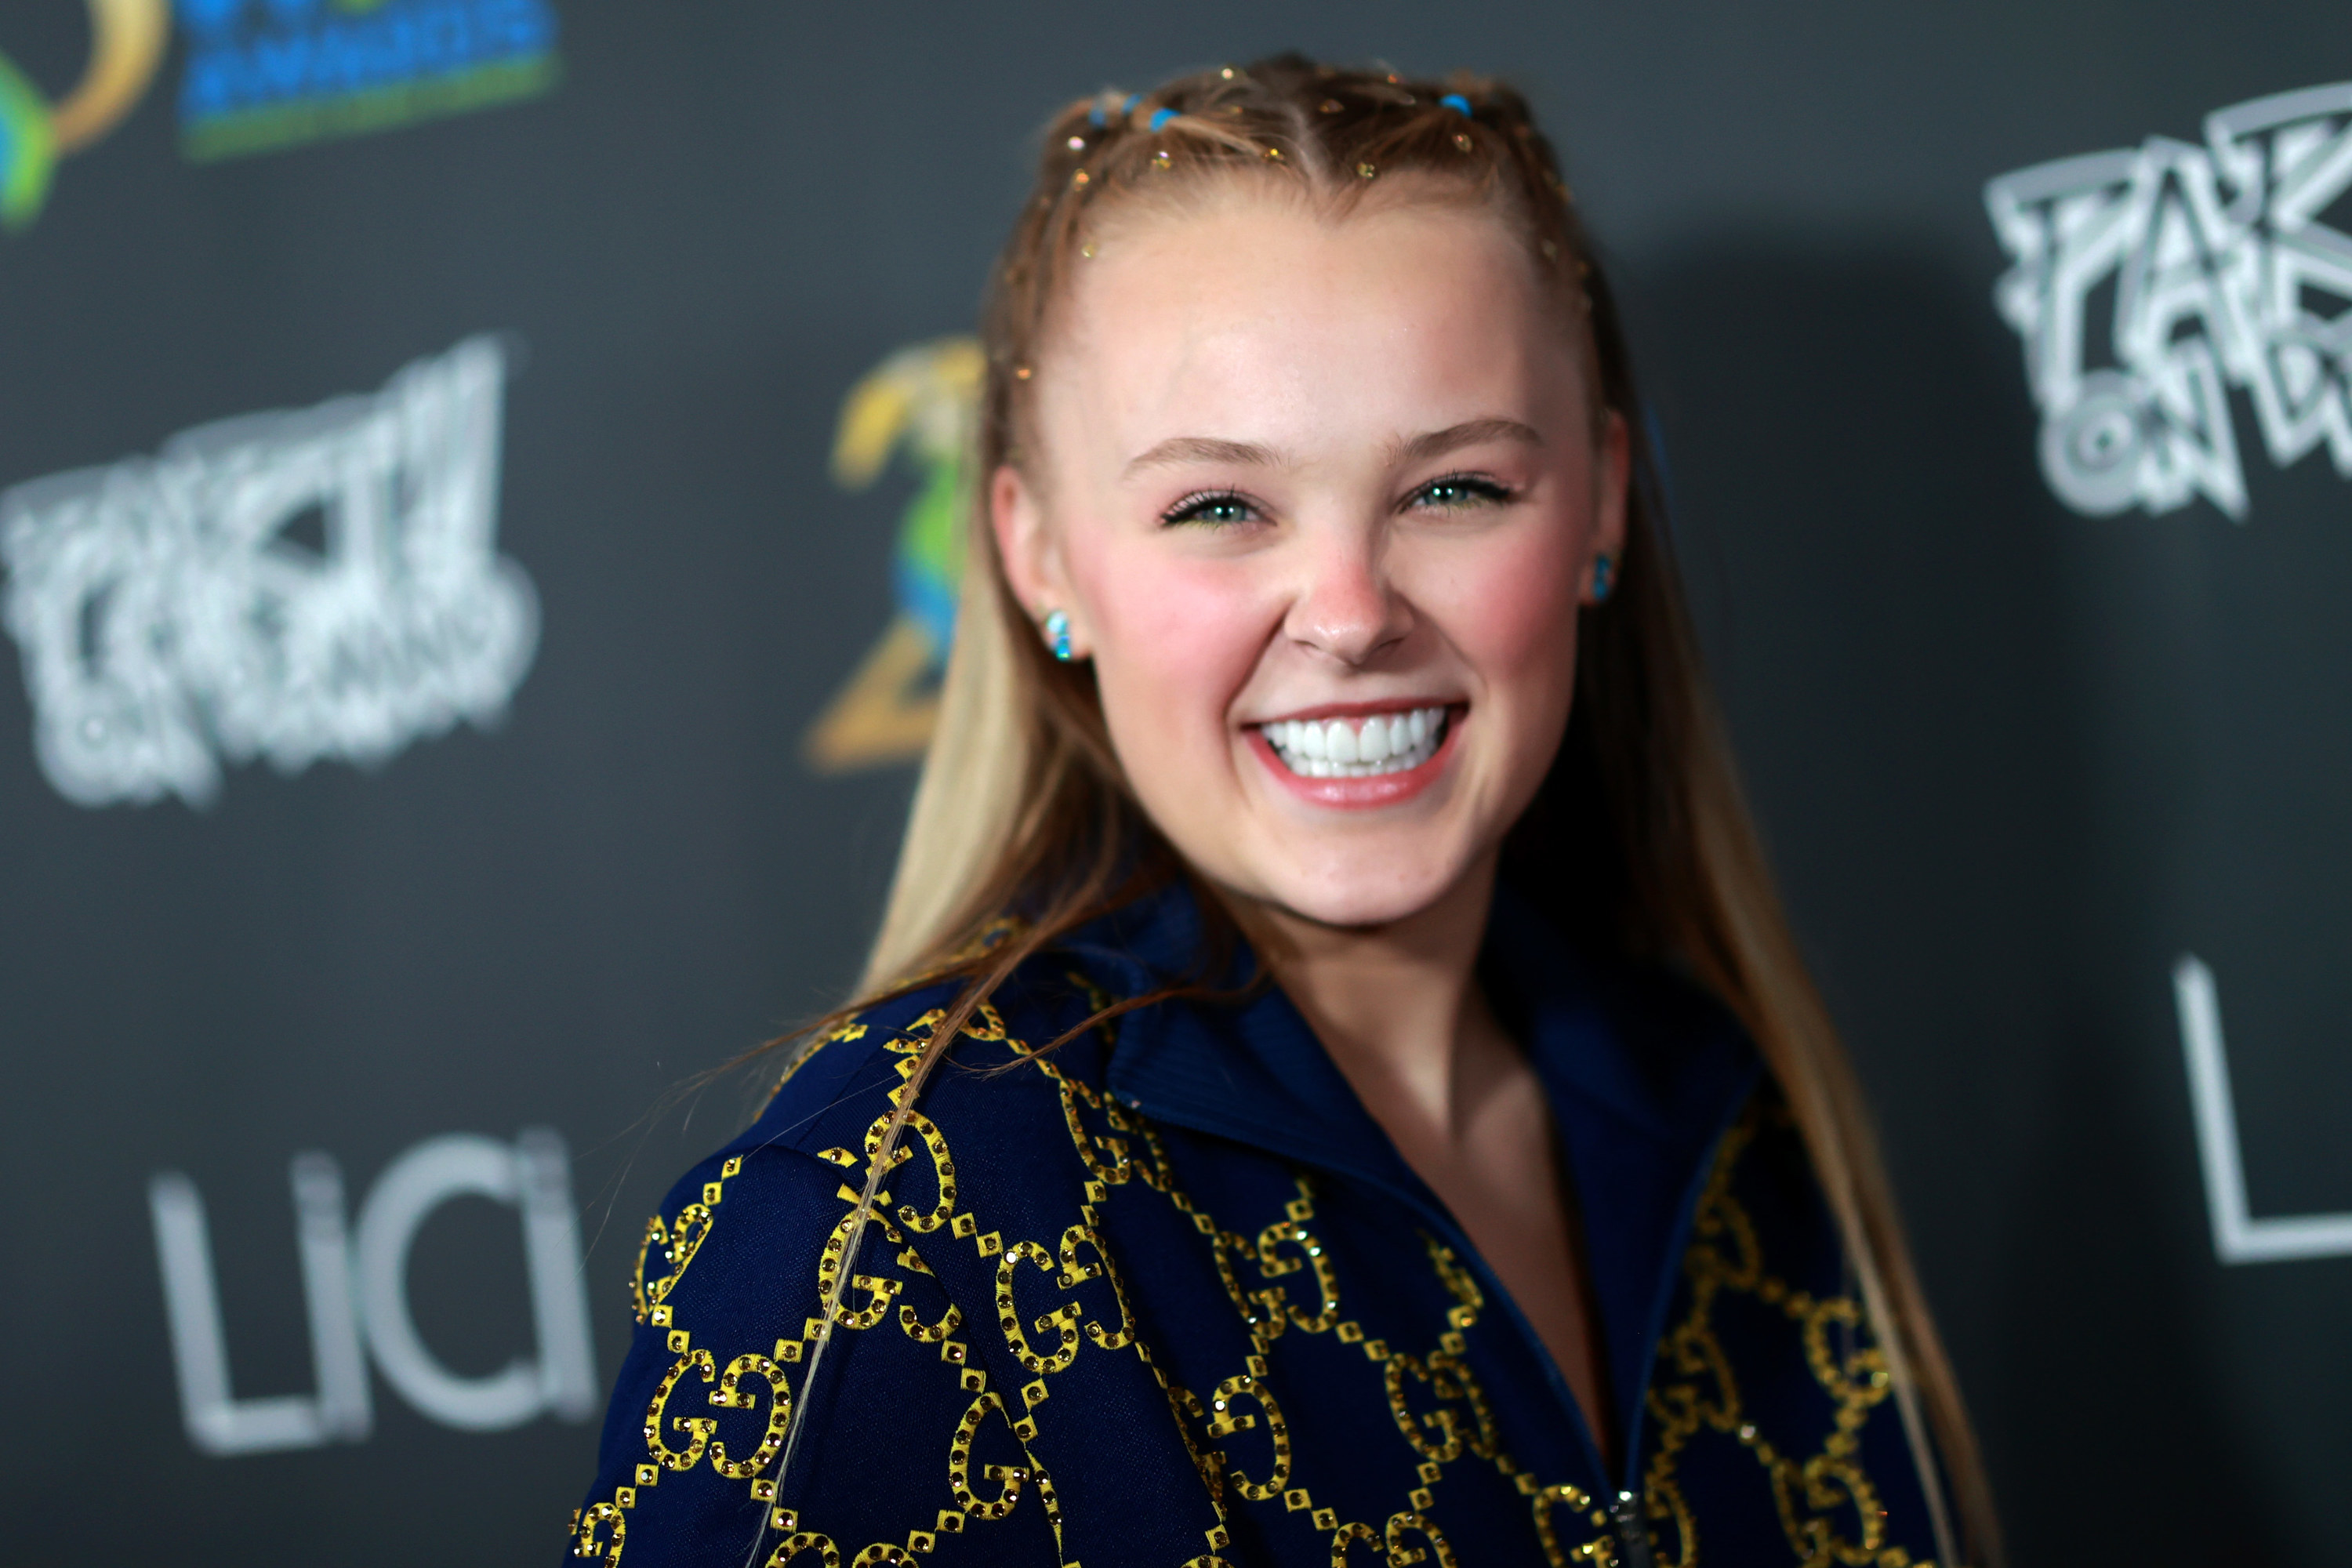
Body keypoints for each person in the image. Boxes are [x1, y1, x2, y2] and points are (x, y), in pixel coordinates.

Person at [568, 54, 1998, 1568]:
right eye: (1217, 508)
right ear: (1038, 559)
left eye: (1454, 489)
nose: (1351, 613)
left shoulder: (1725, 1113)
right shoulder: (873, 1229)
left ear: (1603, 505)